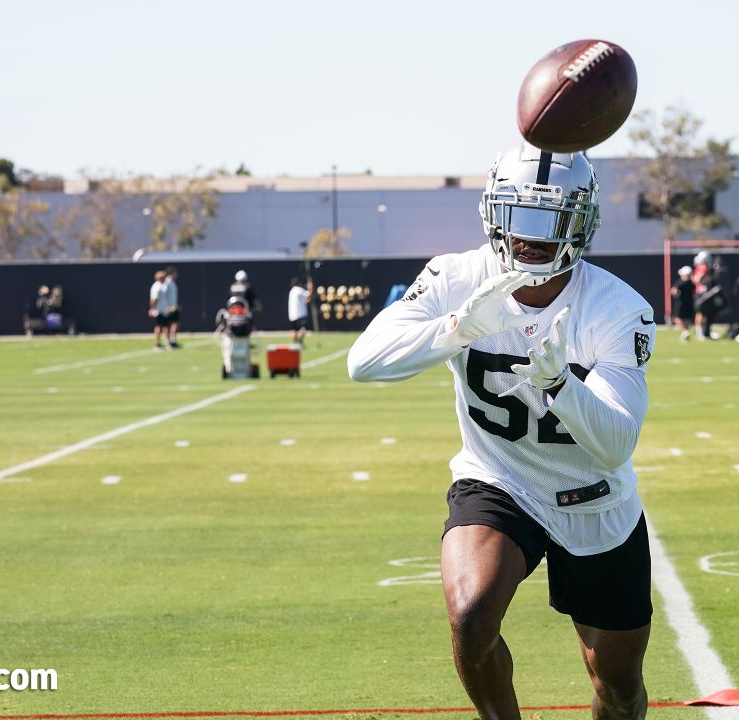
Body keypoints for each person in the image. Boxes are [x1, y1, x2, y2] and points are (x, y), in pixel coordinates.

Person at [348, 143, 656, 720]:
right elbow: (364, 361)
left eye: (552, 217)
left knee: (615, 681)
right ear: (495, 213)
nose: (533, 235)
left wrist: (561, 384)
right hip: (499, 477)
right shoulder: (457, 276)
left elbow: (616, 444)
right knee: (470, 614)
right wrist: (460, 326)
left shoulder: (618, 308)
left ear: (582, 221)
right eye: (522, 214)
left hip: (593, 497)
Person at [671, 266, 696, 341]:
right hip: (690, 303)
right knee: (686, 319)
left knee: (676, 318)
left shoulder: (680, 283)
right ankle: (686, 334)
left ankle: (685, 332)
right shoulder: (692, 283)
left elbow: (673, 291)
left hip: (681, 303)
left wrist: (675, 294)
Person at [288, 276, 314, 343]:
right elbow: (308, 294)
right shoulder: (299, 290)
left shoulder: (292, 291)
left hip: (292, 315)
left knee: (295, 330)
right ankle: (299, 342)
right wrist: (310, 288)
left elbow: (304, 301)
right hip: (300, 315)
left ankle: (295, 343)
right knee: (303, 330)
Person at [149, 270, 169, 349]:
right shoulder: (157, 287)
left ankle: (167, 342)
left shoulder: (162, 285)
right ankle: (157, 344)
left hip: (164, 310)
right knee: (158, 327)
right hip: (159, 311)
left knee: (165, 326)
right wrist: (152, 309)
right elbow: (154, 299)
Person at [163, 266, 181, 348]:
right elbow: (164, 295)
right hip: (168, 308)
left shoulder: (173, 282)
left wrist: (175, 305)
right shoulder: (166, 282)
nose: (176, 275)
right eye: (175, 273)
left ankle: (173, 340)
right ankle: (167, 341)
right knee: (167, 325)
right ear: (171, 273)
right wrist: (167, 306)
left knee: (176, 323)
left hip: (174, 307)